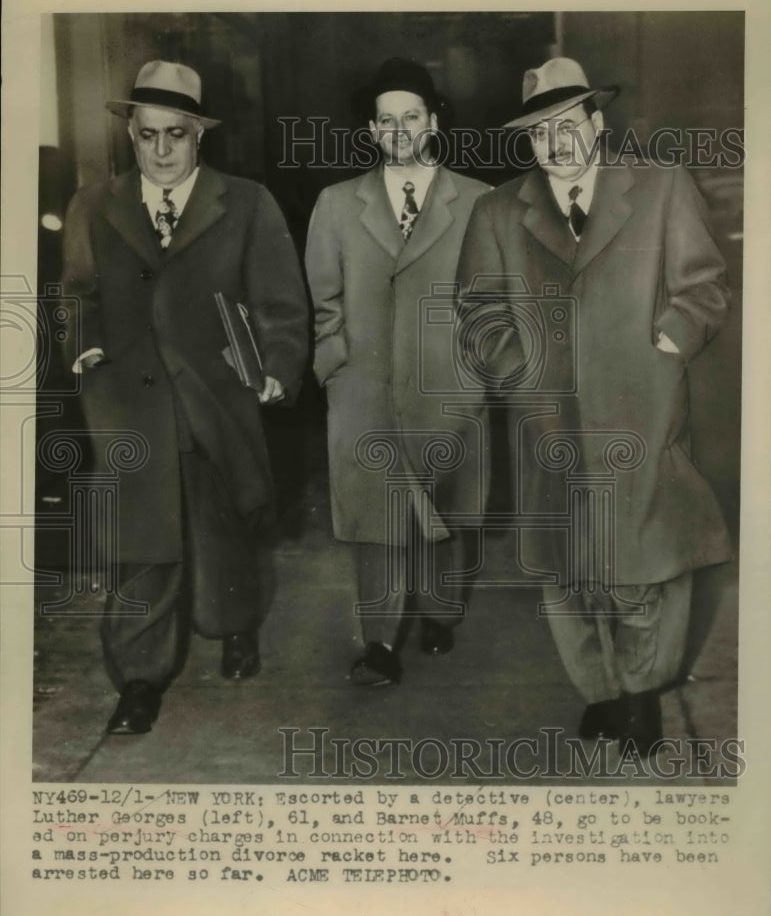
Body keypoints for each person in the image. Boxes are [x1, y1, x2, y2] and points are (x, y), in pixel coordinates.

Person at [456, 57, 732, 755]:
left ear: (595, 123)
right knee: (566, 573)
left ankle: (641, 695)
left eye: (567, 124)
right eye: (539, 131)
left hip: (640, 411)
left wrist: (670, 341)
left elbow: (702, 283)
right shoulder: (496, 212)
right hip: (548, 421)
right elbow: (478, 312)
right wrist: (519, 375)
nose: (555, 142)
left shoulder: (660, 187)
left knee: (645, 565)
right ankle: (601, 692)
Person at [62, 60, 308, 733]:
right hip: (129, 405)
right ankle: (139, 680)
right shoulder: (95, 204)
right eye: (148, 136)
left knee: (224, 526)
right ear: (130, 136)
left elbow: (281, 304)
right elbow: (78, 293)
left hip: (218, 398)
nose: (162, 151)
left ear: (200, 134)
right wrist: (83, 347)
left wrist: (278, 368)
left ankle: (235, 626)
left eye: (176, 134)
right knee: (142, 541)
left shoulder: (247, 203)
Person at [305, 57, 490, 685]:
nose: (401, 130)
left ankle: (441, 612)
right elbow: (323, 303)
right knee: (375, 515)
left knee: (446, 506)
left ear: (433, 121)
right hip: (365, 386)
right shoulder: (336, 204)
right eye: (388, 121)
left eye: (412, 116)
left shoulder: (478, 201)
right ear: (373, 131)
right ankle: (378, 643)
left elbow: (494, 299)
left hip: (447, 383)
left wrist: (474, 372)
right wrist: (336, 368)